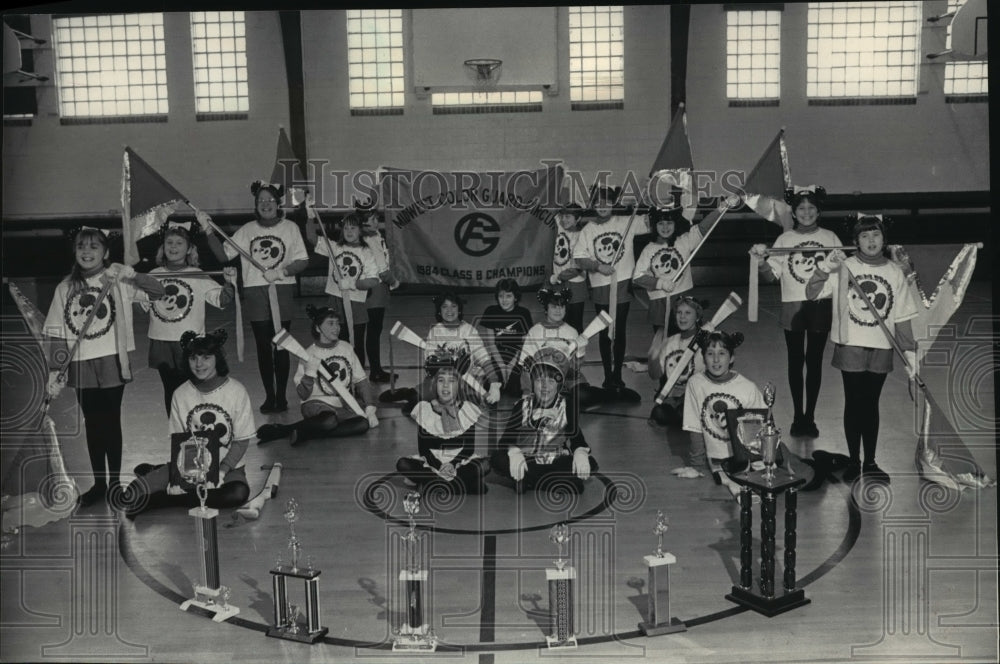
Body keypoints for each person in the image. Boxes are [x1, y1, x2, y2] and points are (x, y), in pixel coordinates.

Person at [44, 227, 165, 507]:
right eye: (81, 247)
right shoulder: (65, 287)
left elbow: (158, 292)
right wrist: (55, 369)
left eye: (94, 247)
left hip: (111, 359)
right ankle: (99, 483)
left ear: (106, 252)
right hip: (80, 363)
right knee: (93, 424)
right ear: (75, 252)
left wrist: (132, 274)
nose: (87, 252)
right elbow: (55, 331)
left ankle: (114, 483)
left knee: (110, 422)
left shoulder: (118, 279)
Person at [805, 213, 917, 483]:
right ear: (855, 241)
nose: (871, 240)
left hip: (881, 348)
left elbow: (902, 317)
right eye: (864, 235)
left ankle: (871, 461)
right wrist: (825, 269)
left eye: (876, 234)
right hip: (851, 346)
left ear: (884, 239)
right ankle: (854, 460)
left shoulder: (894, 272)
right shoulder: (845, 267)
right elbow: (812, 292)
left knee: (871, 404)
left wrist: (911, 356)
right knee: (854, 403)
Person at [202, 181, 309, 414]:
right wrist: (208, 231)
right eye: (261, 201)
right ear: (256, 204)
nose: (266, 204)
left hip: (281, 289)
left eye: (270, 200)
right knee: (263, 345)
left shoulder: (290, 227)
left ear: (278, 203)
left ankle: (281, 396)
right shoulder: (247, 230)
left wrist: (282, 271)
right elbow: (223, 255)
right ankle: (269, 396)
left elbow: (303, 260)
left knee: (281, 344)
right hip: (254, 290)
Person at [124, 329, 254, 517]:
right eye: (193, 358)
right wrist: (180, 478)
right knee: (131, 494)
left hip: (228, 468)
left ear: (217, 359)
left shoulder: (237, 391)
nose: (199, 364)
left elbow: (241, 441)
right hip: (190, 466)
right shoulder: (180, 394)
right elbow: (180, 440)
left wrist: (223, 472)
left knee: (238, 494)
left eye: (206, 358)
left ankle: (165, 500)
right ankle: (164, 477)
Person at [750, 186, 840, 437]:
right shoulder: (784, 240)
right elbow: (772, 274)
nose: (807, 212)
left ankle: (810, 416)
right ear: (794, 212)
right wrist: (760, 263)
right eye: (801, 208)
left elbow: (843, 271)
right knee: (794, 361)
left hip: (821, 306)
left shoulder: (831, 237)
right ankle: (797, 416)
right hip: (793, 306)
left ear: (818, 211)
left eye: (811, 208)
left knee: (814, 362)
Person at [142, 221, 236, 413]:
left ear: (189, 249)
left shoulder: (198, 275)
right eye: (169, 243)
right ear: (163, 247)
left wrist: (229, 283)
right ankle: (178, 434)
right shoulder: (152, 275)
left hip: (190, 344)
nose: (173, 247)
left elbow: (222, 299)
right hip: (163, 342)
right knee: (171, 391)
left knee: (192, 390)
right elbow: (139, 305)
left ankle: (196, 432)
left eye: (179, 243)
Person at [256, 305, 379, 444]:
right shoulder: (308, 354)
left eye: (337, 323)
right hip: (315, 404)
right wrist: (309, 373)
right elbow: (303, 394)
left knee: (362, 424)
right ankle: (284, 430)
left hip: (342, 404)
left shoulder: (347, 348)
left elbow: (361, 381)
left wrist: (369, 407)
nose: (336, 327)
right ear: (317, 328)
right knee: (329, 421)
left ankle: (306, 433)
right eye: (330, 323)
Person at [572, 185, 645, 400]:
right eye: (598, 202)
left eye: (606, 202)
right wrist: (597, 266)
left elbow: (652, 223)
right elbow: (579, 257)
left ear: (613, 204)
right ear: (593, 205)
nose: (602, 207)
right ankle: (606, 375)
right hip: (601, 286)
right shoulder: (588, 229)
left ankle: (617, 375)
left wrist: (645, 202)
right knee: (605, 332)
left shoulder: (625, 223)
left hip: (621, 283)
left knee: (619, 329)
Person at [491, 350, 597, 494]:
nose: (545, 387)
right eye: (540, 380)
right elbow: (505, 440)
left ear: (559, 385)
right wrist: (514, 451)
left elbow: (577, 438)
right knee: (497, 458)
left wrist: (580, 452)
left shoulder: (567, 406)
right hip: (527, 461)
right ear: (532, 383)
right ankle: (550, 483)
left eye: (551, 381)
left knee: (591, 464)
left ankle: (529, 481)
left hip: (555, 461)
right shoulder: (521, 406)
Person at [682, 330, 766, 497]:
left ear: (732, 357)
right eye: (710, 353)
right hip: (719, 461)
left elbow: (758, 432)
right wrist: (697, 466)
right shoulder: (695, 383)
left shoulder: (748, 387)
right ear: (703, 357)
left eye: (722, 353)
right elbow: (694, 426)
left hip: (747, 456)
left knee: (798, 472)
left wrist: (761, 468)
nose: (716, 359)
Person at [395, 358, 491, 495]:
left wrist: (452, 465)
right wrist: (440, 467)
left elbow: (469, 448)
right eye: (441, 381)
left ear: (458, 386)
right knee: (403, 464)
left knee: (485, 465)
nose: (445, 386)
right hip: (433, 464)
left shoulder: (468, 410)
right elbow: (424, 450)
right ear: (435, 385)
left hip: (459, 463)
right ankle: (460, 485)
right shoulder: (425, 410)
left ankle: (433, 485)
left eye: (451, 381)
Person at [403, 292, 502, 412]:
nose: (449, 310)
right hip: (442, 379)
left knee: (482, 403)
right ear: (439, 310)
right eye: (444, 306)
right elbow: (430, 364)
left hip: (467, 379)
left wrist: (494, 383)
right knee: (418, 398)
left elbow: (484, 358)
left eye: (453, 306)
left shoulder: (468, 330)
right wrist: (444, 363)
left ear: (459, 309)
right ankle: (408, 393)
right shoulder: (435, 331)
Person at [633, 201, 717, 336]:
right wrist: (660, 283)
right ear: (654, 225)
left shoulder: (684, 241)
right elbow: (637, 277)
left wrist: (722, 207)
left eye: (669, 223)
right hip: (660, 304)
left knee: (687, 342)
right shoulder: (649, 249)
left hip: (684, 300)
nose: (665, 227)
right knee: (664, 347)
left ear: (675, 224)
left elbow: (704, 227)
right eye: (660, 223)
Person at [515, 287, 601, 410]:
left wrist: (580, 350)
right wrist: (527, 391)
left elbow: (575, 367)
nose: (558, 310)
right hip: (545, 379)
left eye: (561, 307)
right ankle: (563, 399)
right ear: (546, 309)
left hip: (569, 377)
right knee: (540, 400)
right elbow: (525, 366)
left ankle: (613, 394)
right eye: (554, 307)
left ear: (566, 309)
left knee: (583, 396)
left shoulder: (572, 332)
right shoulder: (535, 331)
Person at [312, 211, 381, 352]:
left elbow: (373, 280)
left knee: (357, 345)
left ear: (360, 230)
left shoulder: (366, 251)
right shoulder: (335, 248)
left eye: (353, 227)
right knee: (337, 344)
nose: (349, 231)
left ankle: (358, 373)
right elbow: (311, 237)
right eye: (346, 228)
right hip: (335, 301)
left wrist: (352, 284)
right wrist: (309, 215)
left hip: (356, 303)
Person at [648, 295, 708, 433]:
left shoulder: (705, 340)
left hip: (697, 396)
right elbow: (654, 375)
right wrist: (653, 356)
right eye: (679, 313)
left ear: (697, 317)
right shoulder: (669, 342)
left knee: (683, 413)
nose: (682, 317)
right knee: (659, 414)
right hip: (674, 397)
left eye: (688, 313)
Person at [477, 278, 533, 397]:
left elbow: (523, 345)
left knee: (515, 389)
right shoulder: (491, 311)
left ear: (515, 297)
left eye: (508, 296)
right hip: (498, 356)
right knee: (490, 386)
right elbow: (491, 344)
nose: (504, 300)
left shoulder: (523, 313)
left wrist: (512, 365)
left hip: (516, 358)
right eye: (501, 296)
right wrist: (502, 366)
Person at [360, 208, 398, 382]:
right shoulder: (371, 238)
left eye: (376, 218)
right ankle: (374, 370)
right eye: (372, 218)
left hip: (370, 290)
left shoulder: (371, 236)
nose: (376, 222)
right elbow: (382, 269)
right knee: (373, 331)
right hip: (375, 289)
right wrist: (394, 282)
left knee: (368, 332)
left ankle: (371, 370)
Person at [548, 202, 588, 333]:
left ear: (578, 219)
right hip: (559, 284)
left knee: (575, 325)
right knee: (559, 323)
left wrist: (558, 276)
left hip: (575, 285)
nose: (564, 220)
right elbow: (553, 206)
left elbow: (578, 267)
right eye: (563, 216)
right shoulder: (561, 226)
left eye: (568, 217)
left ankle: (577, 353)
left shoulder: (582, 236)